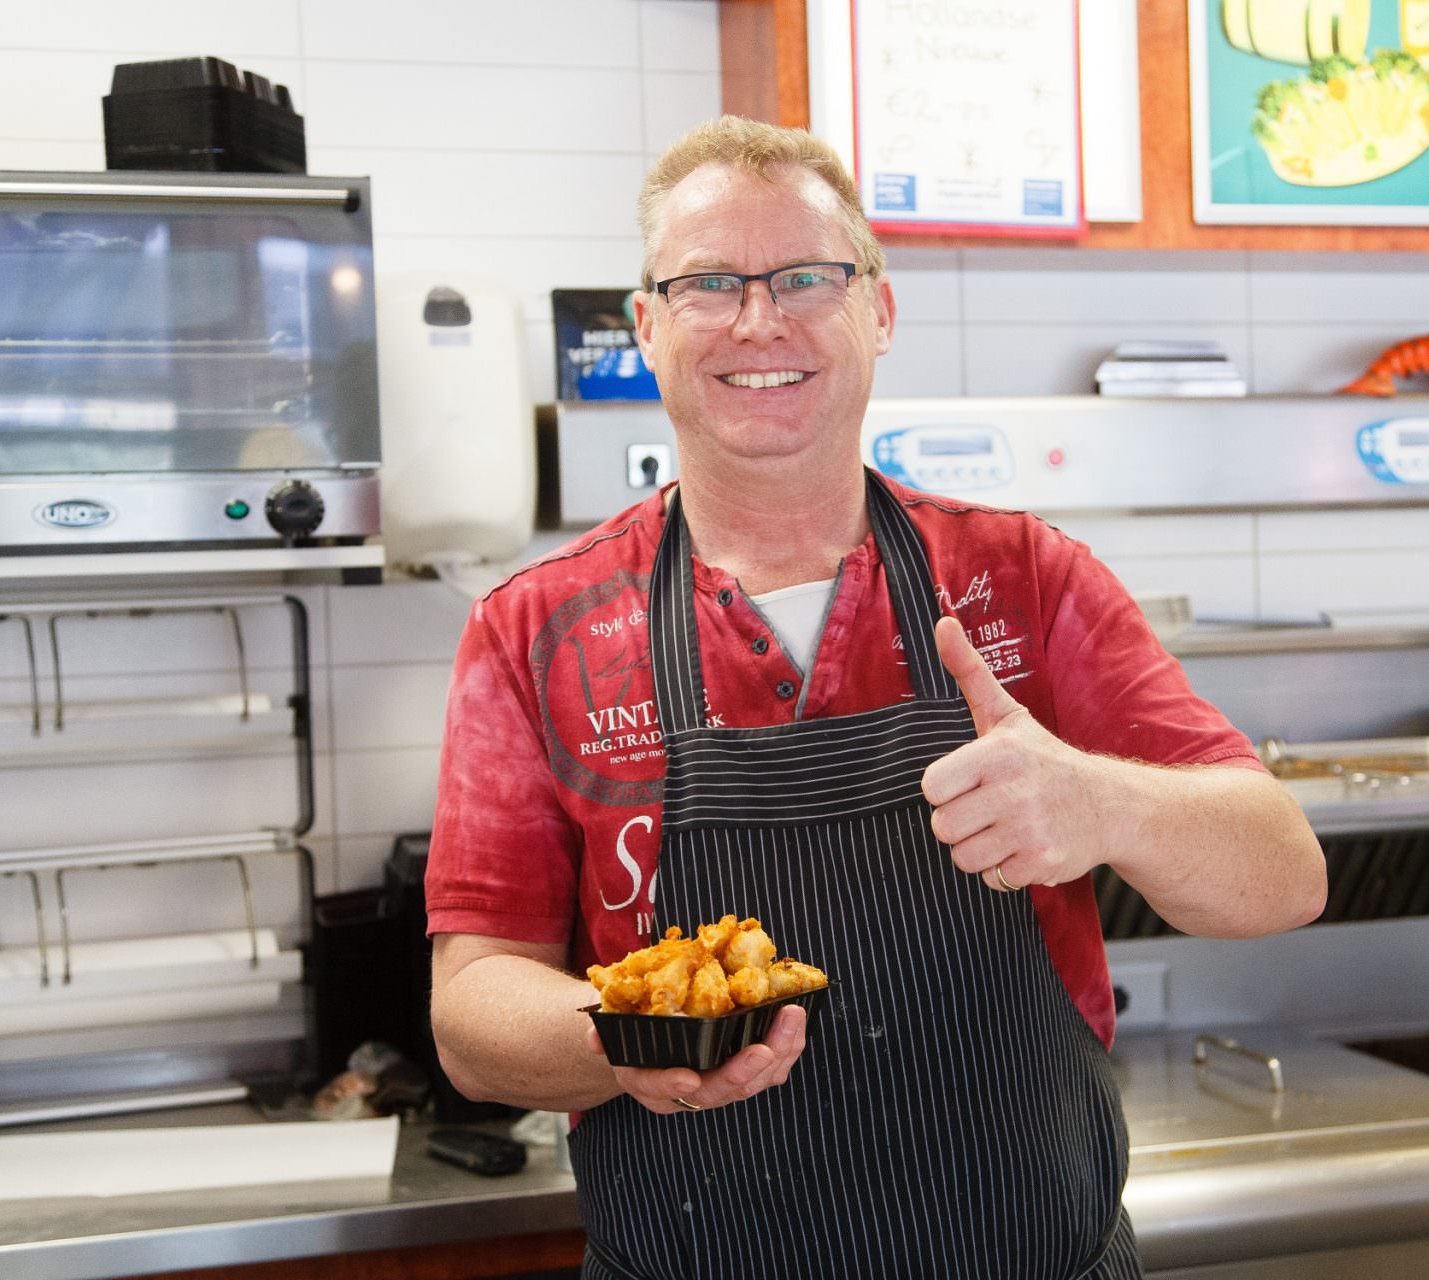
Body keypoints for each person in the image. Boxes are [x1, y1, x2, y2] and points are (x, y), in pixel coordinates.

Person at [426, 115, 1325, 1279]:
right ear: (647, 327)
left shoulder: (1022, 579)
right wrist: (628, 1041)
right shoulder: (534, 631)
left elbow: (1285, 871)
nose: (761, 319)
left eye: (809, 275)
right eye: (709, 283)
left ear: (881, 311)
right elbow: (471, 1012)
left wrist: (1103, 807)